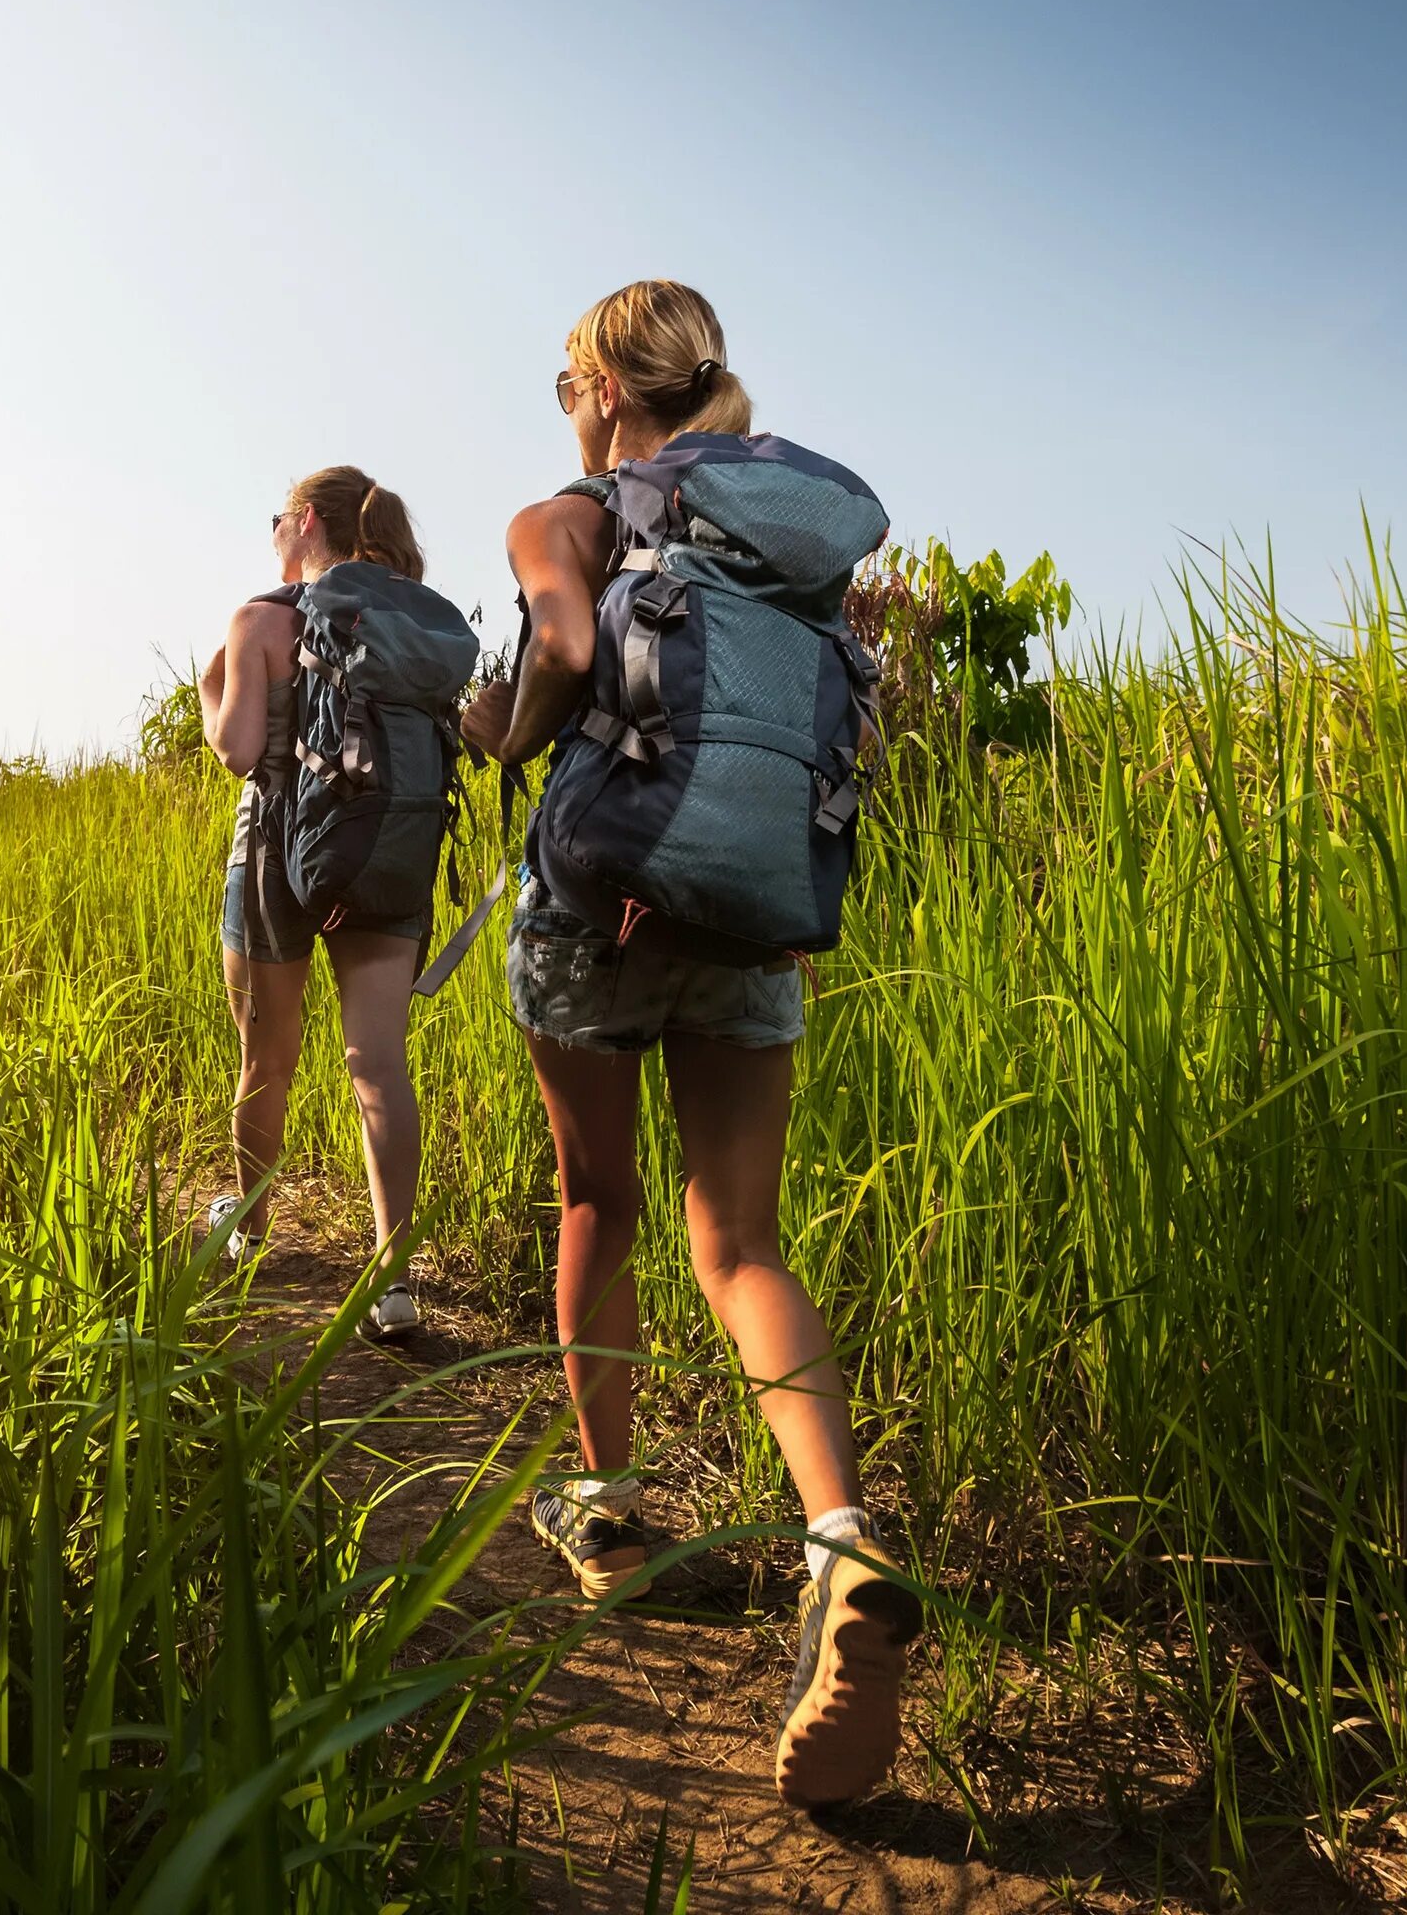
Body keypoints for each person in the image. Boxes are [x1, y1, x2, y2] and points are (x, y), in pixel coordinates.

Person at [459, 280, 919, 1809]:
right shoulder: (780, 538)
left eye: (563, 377)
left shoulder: (570, 511)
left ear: (600, 383)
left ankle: (607, 1515)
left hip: (599, 912)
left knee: (601, 1203)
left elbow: (566, 656)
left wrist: (495, 728)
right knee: (746, 1248)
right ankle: (842, 1541)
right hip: (752, 918)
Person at [197, 467, 444, 1343]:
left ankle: (251, 1224)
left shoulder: (262, 620)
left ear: (306, 524)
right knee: (377, 1061)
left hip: (273, 853)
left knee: (268, 1057)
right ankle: (394, 1278)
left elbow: (233, 751)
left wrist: (207, 690)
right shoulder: (403, 622)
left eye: (278, 520)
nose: (274, 534)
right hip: (383, 850)